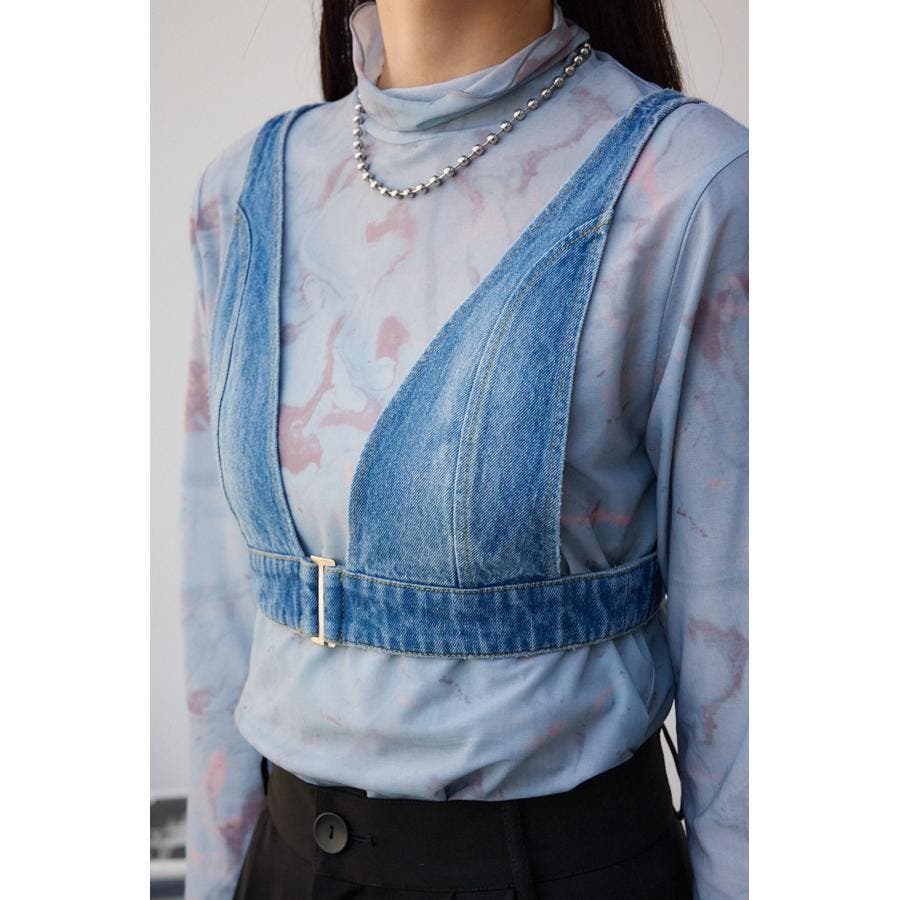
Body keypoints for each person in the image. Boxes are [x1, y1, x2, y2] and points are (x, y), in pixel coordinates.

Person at [180, 0, 748, 897]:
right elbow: (219, 611)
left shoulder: (690, 186)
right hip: (283, 867)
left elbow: (746, 669)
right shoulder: (244, 191)